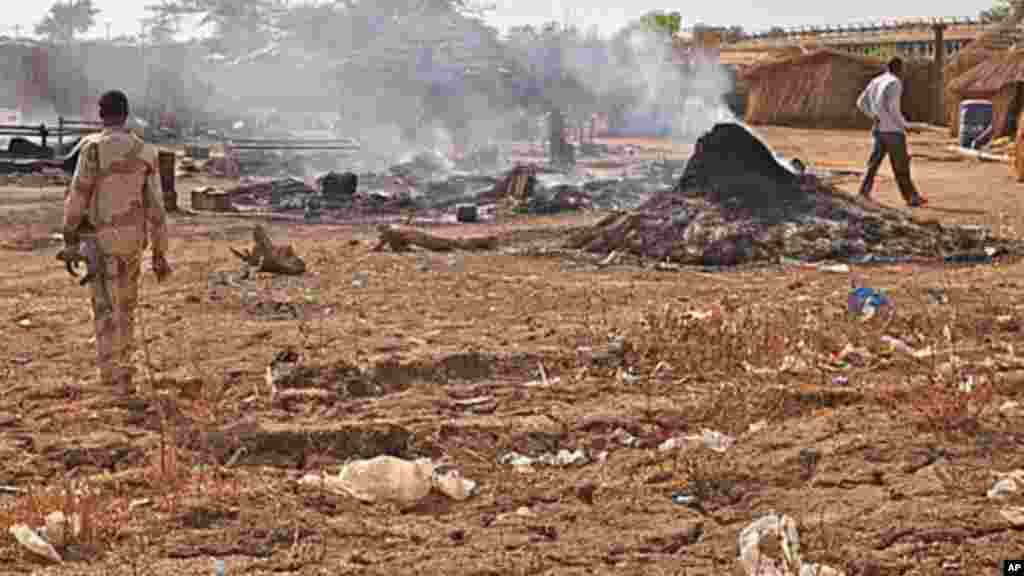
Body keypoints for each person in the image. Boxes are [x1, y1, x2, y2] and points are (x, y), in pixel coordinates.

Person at [62, 90, 172, 394]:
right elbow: (157, 209)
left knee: (104, 309)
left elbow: (79, 196)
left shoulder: (93, 150)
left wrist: (69, 235)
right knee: (126, 307)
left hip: (100, 243)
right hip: (132, 244)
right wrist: (160, 254)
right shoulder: (145, 151)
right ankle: (125, 374)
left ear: (101, 113)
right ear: (126, 114)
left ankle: (111, 377)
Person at [856, 57, 927, 207]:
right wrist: (906, 126)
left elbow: (861, 102)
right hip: (893, 131)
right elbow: (893, 109)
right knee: (901, 166)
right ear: (899, 69)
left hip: (879, 129)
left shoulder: (876, 81)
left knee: (873, 164)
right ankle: (911, 197)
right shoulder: (895, 83)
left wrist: (873, 115)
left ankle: (863, 192)